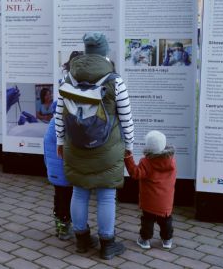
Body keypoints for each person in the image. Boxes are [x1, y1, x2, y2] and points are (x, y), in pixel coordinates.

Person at [55, 32, 134, 260]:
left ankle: (81, 240)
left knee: (79, 191)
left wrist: (60, 141)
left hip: (75, 146)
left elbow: (60, 114)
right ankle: (107, 244)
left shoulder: (68, 78)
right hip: (107, 148)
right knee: (106, 195)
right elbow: (127, 117)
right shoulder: (114, 80)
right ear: (105, 52)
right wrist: (129, 145)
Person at [124, 130, 176, 250]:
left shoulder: (146, 162)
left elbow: (135, 173)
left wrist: (128, 157)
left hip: (149, 200)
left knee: (148, 220)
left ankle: (145, 240)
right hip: (166, 200)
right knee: (166, 220)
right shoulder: (171, 161)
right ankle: (167, 240)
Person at [43, 101, 73, 240]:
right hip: (64, 174)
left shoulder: (50, 126)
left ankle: (59, 224)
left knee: (59, 198)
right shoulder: (63, 127)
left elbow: (46, 151)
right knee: (67, 200)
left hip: (54, 173)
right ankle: (65, 228)